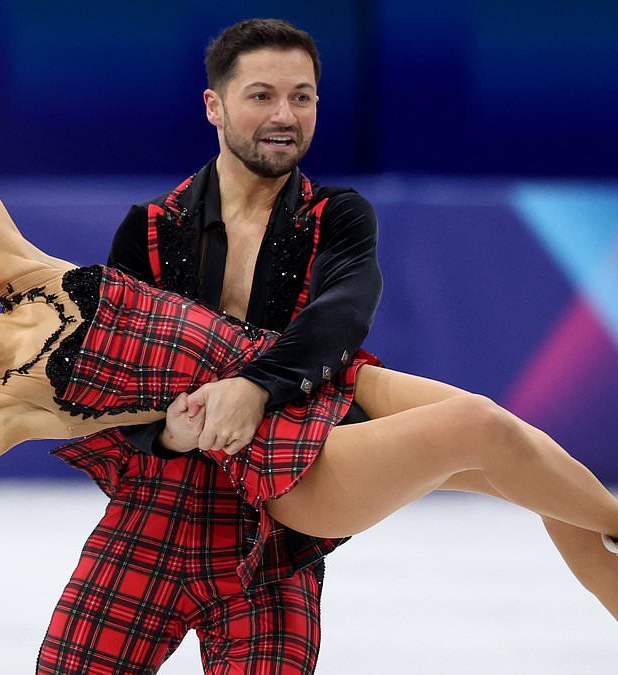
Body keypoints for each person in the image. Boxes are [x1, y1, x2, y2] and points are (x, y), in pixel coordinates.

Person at [0, 114, 618, 673]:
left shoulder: (20, 269)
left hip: (304, 372)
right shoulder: (7, 405)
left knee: (526, 459)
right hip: (280, 458)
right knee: (477, 427)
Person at [38, 20, 382, 674]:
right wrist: (166, 435)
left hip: (273, 532)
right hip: (152, 517)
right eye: (262, 96)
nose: (285, 116)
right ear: (214, 106)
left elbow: (341, 317)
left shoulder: (336, 217)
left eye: (302, 97)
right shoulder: (149, 228)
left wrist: (255, 387)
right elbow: (116, 377)